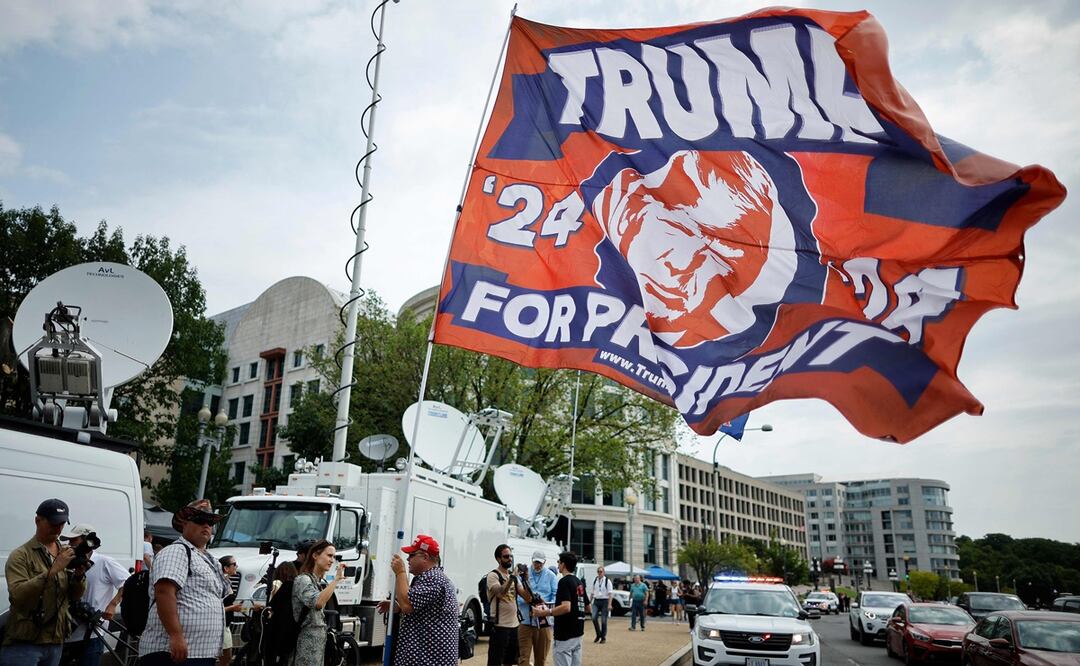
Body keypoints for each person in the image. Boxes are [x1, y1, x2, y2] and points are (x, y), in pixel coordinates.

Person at [138, 499, 231, 666]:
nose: (206, 526)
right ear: (184, 524)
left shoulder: (208, 559)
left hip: (197, 652)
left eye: (210, 522)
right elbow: (164, 592)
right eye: (199, 520)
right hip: (172, 652)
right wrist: (176, 635)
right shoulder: (176, 551)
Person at [1, 499, 86, 666]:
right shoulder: (20, 555)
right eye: (54, 523)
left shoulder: (65, 552)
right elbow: (18, 595)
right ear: (37, 520)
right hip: (24, 644)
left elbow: (74, 596)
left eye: (62, 523)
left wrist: (78, 576)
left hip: (55, 641)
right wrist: (52, 571)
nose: (58, 528)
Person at [376, 534, 458, 666]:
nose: (408, 559)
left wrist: (401, 572)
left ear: (425, 557)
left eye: (412, 555)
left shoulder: (433, 579)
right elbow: (419, 609)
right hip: (426, 656)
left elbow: (408, 604)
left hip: (429, 659)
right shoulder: (430, 577)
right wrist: (397, 606)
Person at [62, 524, 131, 666]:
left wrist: (112, 604)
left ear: (86, 541)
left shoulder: (105, 562)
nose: (70, 544)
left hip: (92, 634)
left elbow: (129, 582)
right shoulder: (66, 562)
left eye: (73, 540)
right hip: (65, 635)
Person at [290, 540, 345, 666]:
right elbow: (318, 603)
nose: (332, 560)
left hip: (317, 643)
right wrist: (336, 580)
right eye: (329, 555)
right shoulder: (303, 579)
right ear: (315, 556)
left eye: (334, 557)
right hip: (305, 642)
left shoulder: (316, 582)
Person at [531, 552, 589, 666]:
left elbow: (566, 607)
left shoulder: (564, 581)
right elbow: (588, 607)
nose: (557, 565)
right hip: (578, 632)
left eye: (559, 562)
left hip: (565, 634)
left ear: (563, 564)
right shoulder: (579, 582)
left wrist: (544, 612)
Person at [485, 544, 530, 666]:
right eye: (506, 556)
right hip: (499, 626)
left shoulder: (514, 577)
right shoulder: (493, 575)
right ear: (499, 559)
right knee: (496, 662)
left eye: (510, 556)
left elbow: (527, 598)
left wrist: (526, 580)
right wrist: (512, 577)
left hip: (514, 626)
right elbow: (500, 593)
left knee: (510, 662)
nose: (510, 559)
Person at [516, 552, 556, 666]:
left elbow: (555, 596)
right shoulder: (523, 574)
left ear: (544, 562)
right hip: (525, 621)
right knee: (523, 659)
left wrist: (544, 605)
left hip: (543, 622)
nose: (537, 565)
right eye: (535, 562)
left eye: (540, 562)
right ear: (532, 560)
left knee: (540, 659)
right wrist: (529, 600)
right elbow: (517, 595)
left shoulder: (551, 576)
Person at [264, 562, 298, 666]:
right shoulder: (296, 586)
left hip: (277, 627)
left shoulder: (278, 584)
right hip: (292, 626)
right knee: (286, 657)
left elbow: (272, 604)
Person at [217, 556, 243, 666]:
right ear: (226, 568)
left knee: (227, 656)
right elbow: (215, 607)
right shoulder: (220, 584)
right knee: (226, 656)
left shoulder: (228, 582)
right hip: (219, 624)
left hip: (226, 623)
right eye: (234, 564)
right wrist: (232, 608)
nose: (236, 566)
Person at [589, 567, 612, 643]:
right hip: (596, 601)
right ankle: (598, 634)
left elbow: (610, 594)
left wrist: (609, 604)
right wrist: (589, 602)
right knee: (593, 618)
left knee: (603, 620)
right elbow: (592, 592)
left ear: (604, 572)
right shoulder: (595, 580)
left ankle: (603, 637)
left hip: (604, 601)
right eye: (598, 571)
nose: (600, 573)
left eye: (601, 571)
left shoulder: (607, 581)